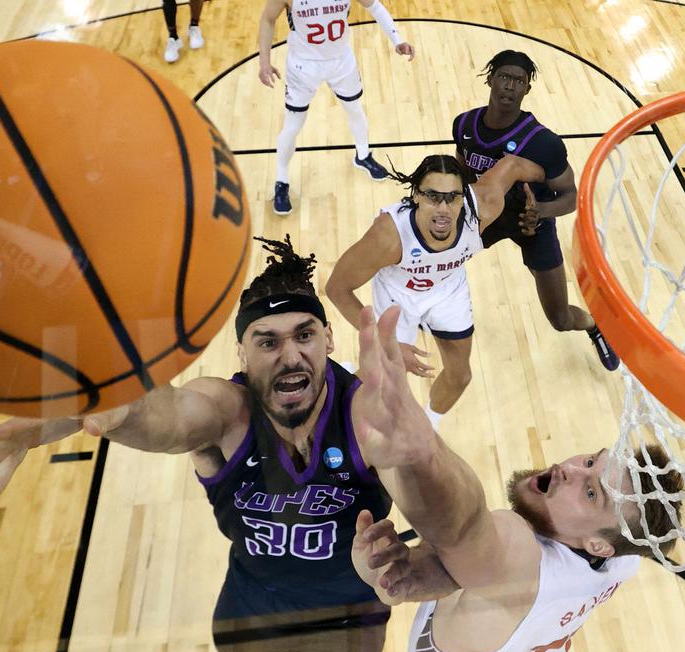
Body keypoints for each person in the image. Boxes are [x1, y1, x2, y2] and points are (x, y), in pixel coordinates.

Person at [0, 237, 393, 652]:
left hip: (345, 613)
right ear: (242, 354)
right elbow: (172, 415)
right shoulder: (229, 411)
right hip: (252, 589)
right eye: (267, 341)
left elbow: (450, 519)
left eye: (304, 335)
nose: (289, 356)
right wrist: (120, 398)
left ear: (329, 338)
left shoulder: (368, 415)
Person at [347, 304, 685, 652]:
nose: (570, 469)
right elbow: (453, 573)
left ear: (598, 545)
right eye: (592, 460)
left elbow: (462, 527)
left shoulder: (521, 557)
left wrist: (422, 455)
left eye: (591, 492)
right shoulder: (622, 560)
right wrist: (391, 576)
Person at [325, 153, 544, 428]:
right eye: (432, 196)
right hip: (398, 294)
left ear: (464, 197)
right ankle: (335, 403)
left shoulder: (484, 206)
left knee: (460, 376)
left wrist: (550, 198)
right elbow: (336, 288)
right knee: (381, 378)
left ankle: (428, 426)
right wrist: (384, 341)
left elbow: (515, 164)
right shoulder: (388, 236)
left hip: (447, 289)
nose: (443, 208)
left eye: (452, 197)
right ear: (416, 195)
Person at [452, 50, 620, 373]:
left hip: (534, 223)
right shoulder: (464, 124)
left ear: (527, 89)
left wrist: (541, 211)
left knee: (559, 318)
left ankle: (592, 326)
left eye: (519, 81)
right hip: (491, 217)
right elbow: (463, 170)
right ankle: (426, 305)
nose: (510, 86)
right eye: (504, 77)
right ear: (490, 78)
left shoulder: (543, 143)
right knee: (440, 251)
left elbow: (572, 196)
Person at [258, 0, 415, 215]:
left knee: (354, 110)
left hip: (341, 61)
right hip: (303, 66)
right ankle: (281, 179)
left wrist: (398, 39)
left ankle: (363, 155)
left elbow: (375, 6)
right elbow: (267, 19)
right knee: (293, 125)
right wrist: (264, 62)